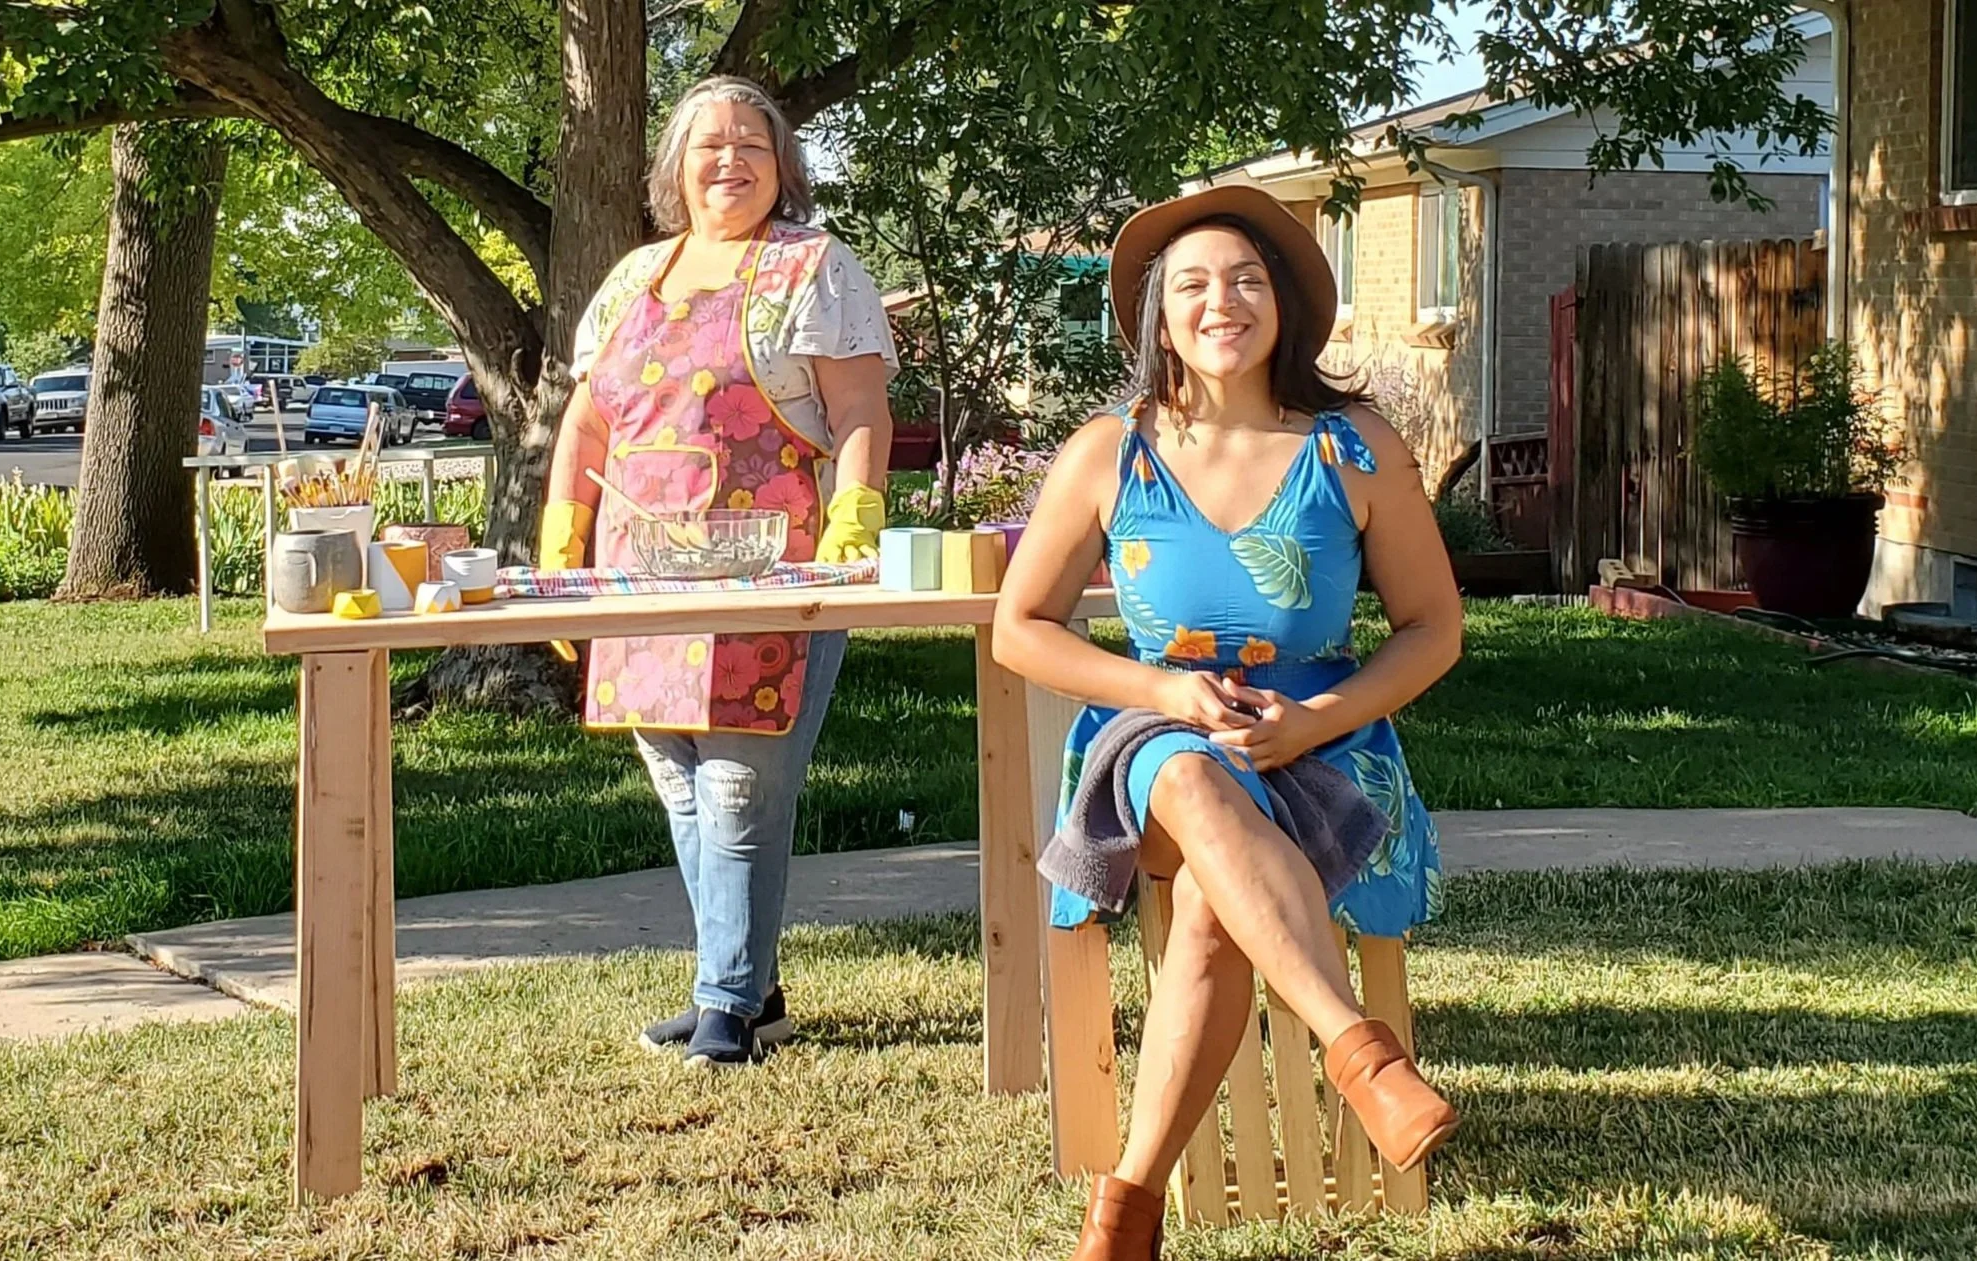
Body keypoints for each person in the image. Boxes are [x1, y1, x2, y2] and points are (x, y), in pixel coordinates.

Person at [992, 185, 1461, 1258]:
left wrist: (1313, 721)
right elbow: (1020, 628)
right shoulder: (1111, 452)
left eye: (1245, 281)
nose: (1221, 303)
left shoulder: (1354, 450)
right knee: (1194, 781)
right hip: (1151, 750)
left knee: (1212, 901)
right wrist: (1161, 693)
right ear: (1159, 313)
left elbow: (1432, 629)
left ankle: (1125, 1209)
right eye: (1194, 285)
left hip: (1320, 754)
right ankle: (1357, 1049)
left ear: (1283, 306)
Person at [539, 75, 897, 1068]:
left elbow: (861, 411)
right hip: (640, 578)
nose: (730, 160)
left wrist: (854, 525)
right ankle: (748, 992)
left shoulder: (815, 269)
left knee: (743, 784)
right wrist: (562, 542)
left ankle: (726, 1006)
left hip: (772, 575)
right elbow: (590, 420)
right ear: (673, 170)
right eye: (708, 145)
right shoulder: (631, 282)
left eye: (752, 143)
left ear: (783, 167)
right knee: (682, 784)